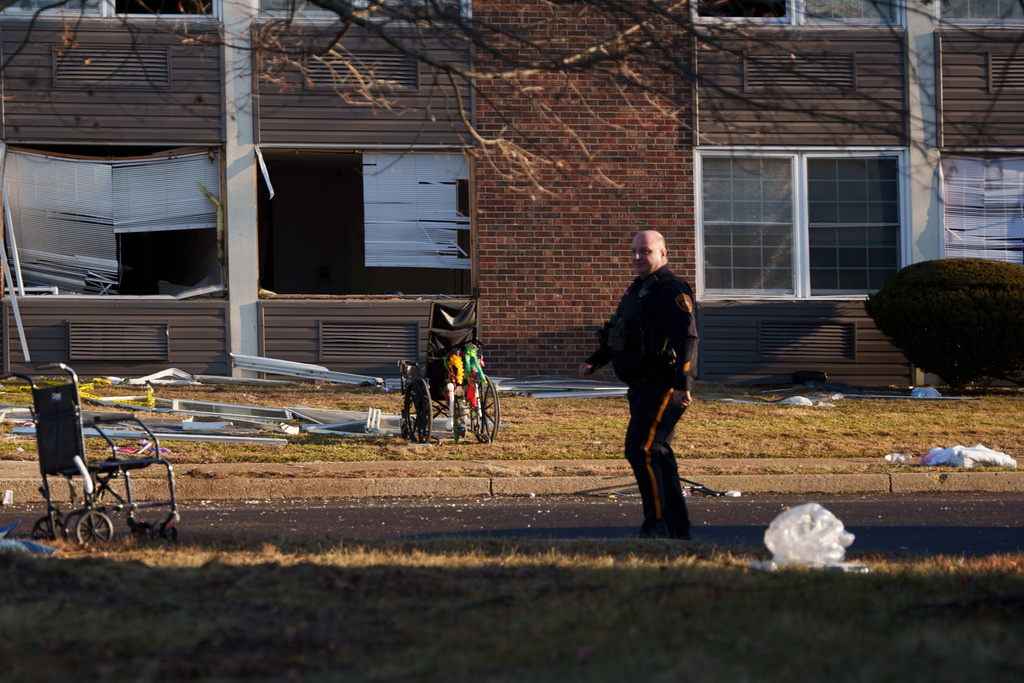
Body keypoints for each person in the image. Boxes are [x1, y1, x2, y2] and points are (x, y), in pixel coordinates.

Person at [579, 230, 699, 540]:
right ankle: (678, 529)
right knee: (657, 453)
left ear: (662, 254)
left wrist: (683, 383)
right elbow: (621, 334)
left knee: (640, 449)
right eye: (633, 251)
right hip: (639, 388)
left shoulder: (672, 291)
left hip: (662, 387)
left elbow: (687, 339)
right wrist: (595, 361)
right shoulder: (638, 290)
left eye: (645, 251)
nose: (637, 257)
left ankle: (655, 525)